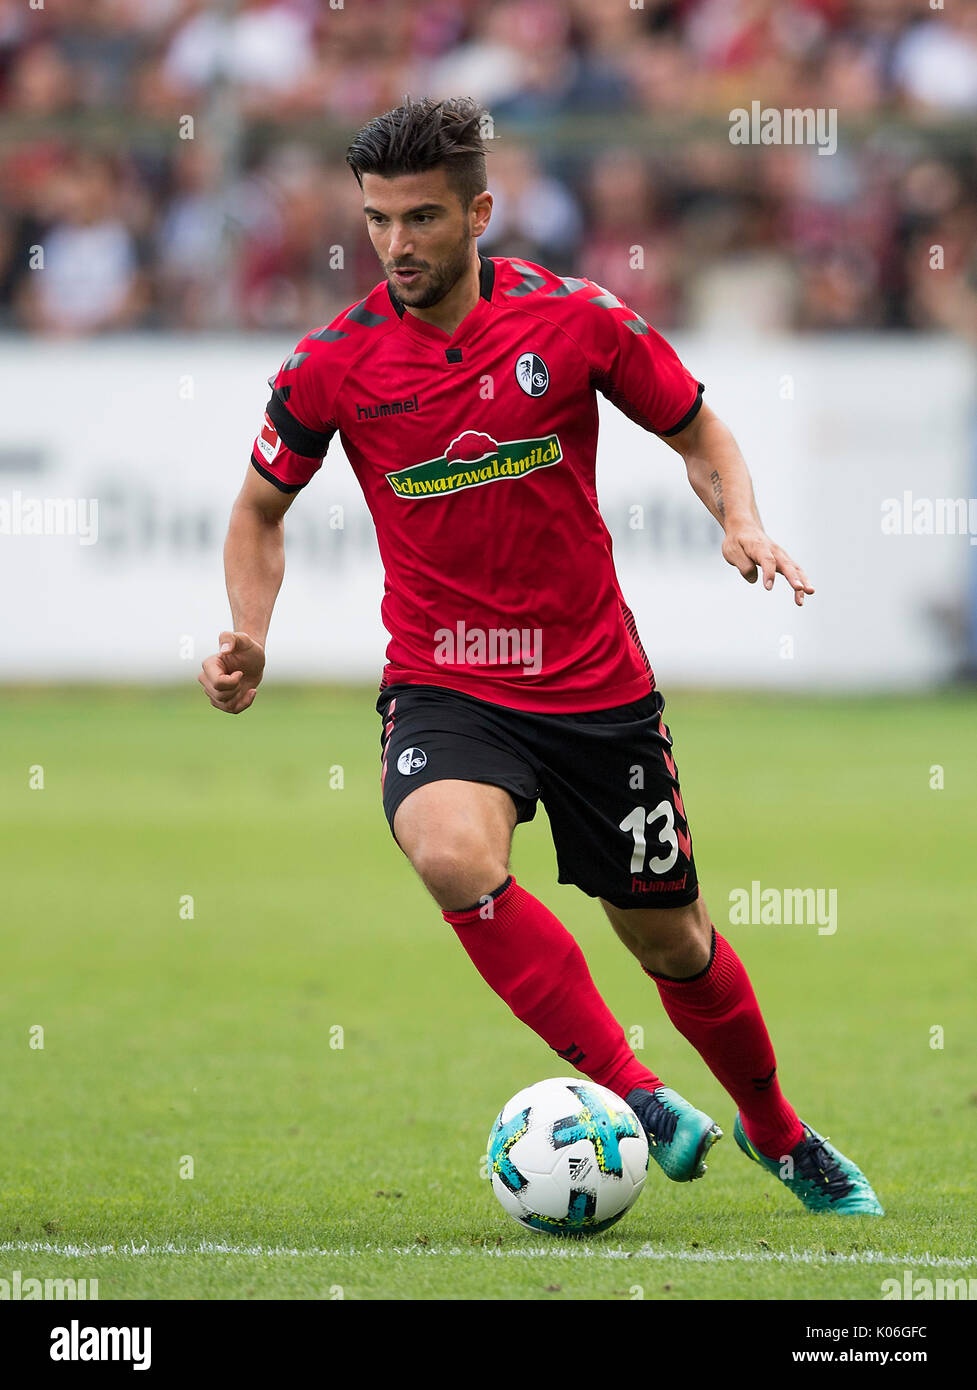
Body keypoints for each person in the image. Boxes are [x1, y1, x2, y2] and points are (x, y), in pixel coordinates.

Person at [199, 97, 882, 1216]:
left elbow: (698, 432)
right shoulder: (331, 363)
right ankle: (640, 1096)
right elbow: (257, 513)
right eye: (376, 220)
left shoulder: (574, 322)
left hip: (595, 689)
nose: (396, 245)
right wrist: (249, 634)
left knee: (671, 941)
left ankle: (778, 1130)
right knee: (446, 854)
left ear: (478, 211)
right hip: (445, 678)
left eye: (420, 218)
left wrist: (738, 517)